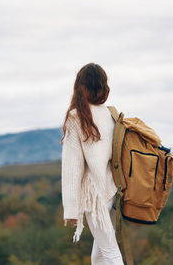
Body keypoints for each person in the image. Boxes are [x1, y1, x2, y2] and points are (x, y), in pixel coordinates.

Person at [61, 63, 124, 265]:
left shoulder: (76, 116)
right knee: (98, 255)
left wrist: (70, 210)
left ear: (80, 85)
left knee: (110, 251)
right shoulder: (110, 114)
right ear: (103, 86)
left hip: (93, 195)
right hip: (111, 189)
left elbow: (72, 166)